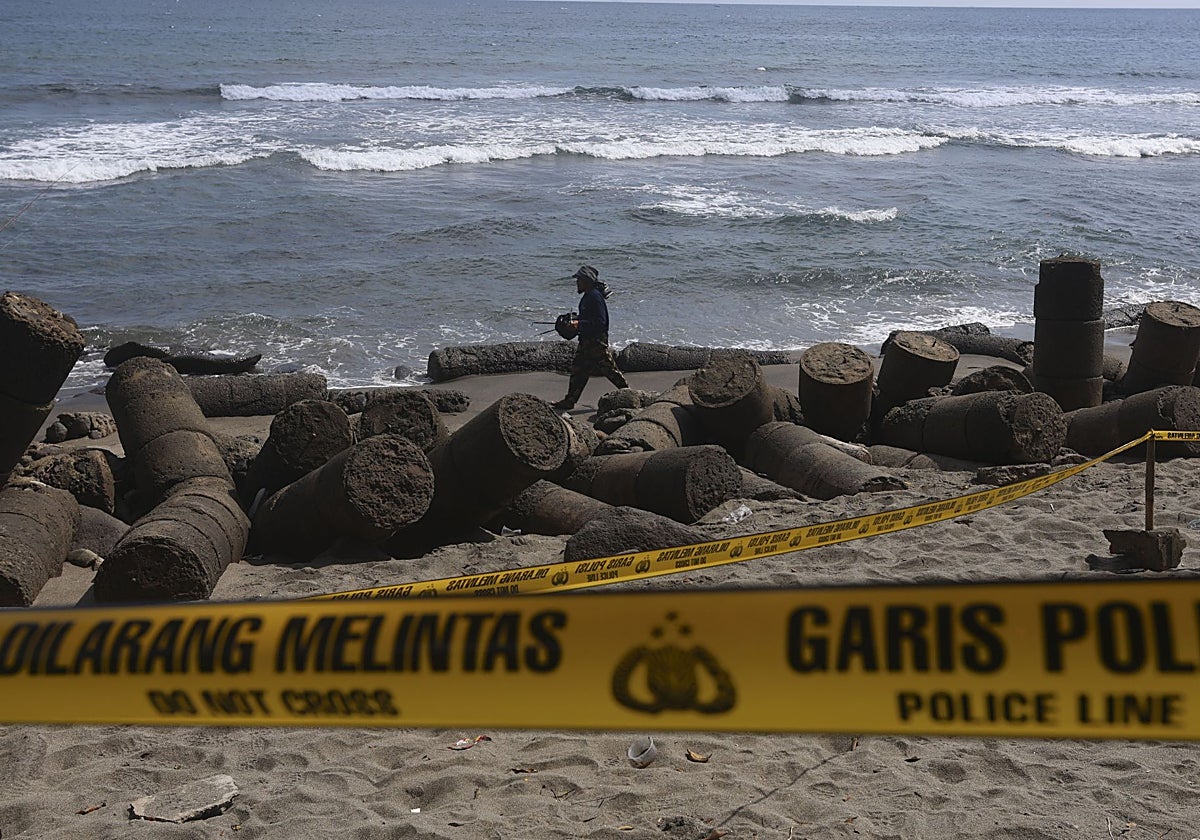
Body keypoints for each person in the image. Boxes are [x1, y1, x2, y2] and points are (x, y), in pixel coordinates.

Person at [553, 265, 628, 410]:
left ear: (587, 281)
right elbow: (590, 318)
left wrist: (578, 323)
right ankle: (569, 401)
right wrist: (575, 320)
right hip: (586, 342)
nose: (577, 283)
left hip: (596, 343)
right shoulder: (589, 296)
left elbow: (600, 322)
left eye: (579, 280)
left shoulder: (594, 297)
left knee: (610, 371)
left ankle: (630, 393)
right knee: (578, 371)